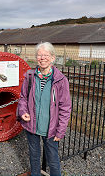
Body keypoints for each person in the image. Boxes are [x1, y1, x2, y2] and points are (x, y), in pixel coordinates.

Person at [17, 42, 71, 176]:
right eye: (39, 55)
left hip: (51, 129)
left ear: (53, 58)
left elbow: (65, 108)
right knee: (34, 157)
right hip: (32, 126)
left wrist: (61, 130)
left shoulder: (60, 80)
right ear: (36, 58)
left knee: (53, 160)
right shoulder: (30, 76)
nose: (42, 58)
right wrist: (23, 112)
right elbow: (23, 97)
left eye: (46, 55)